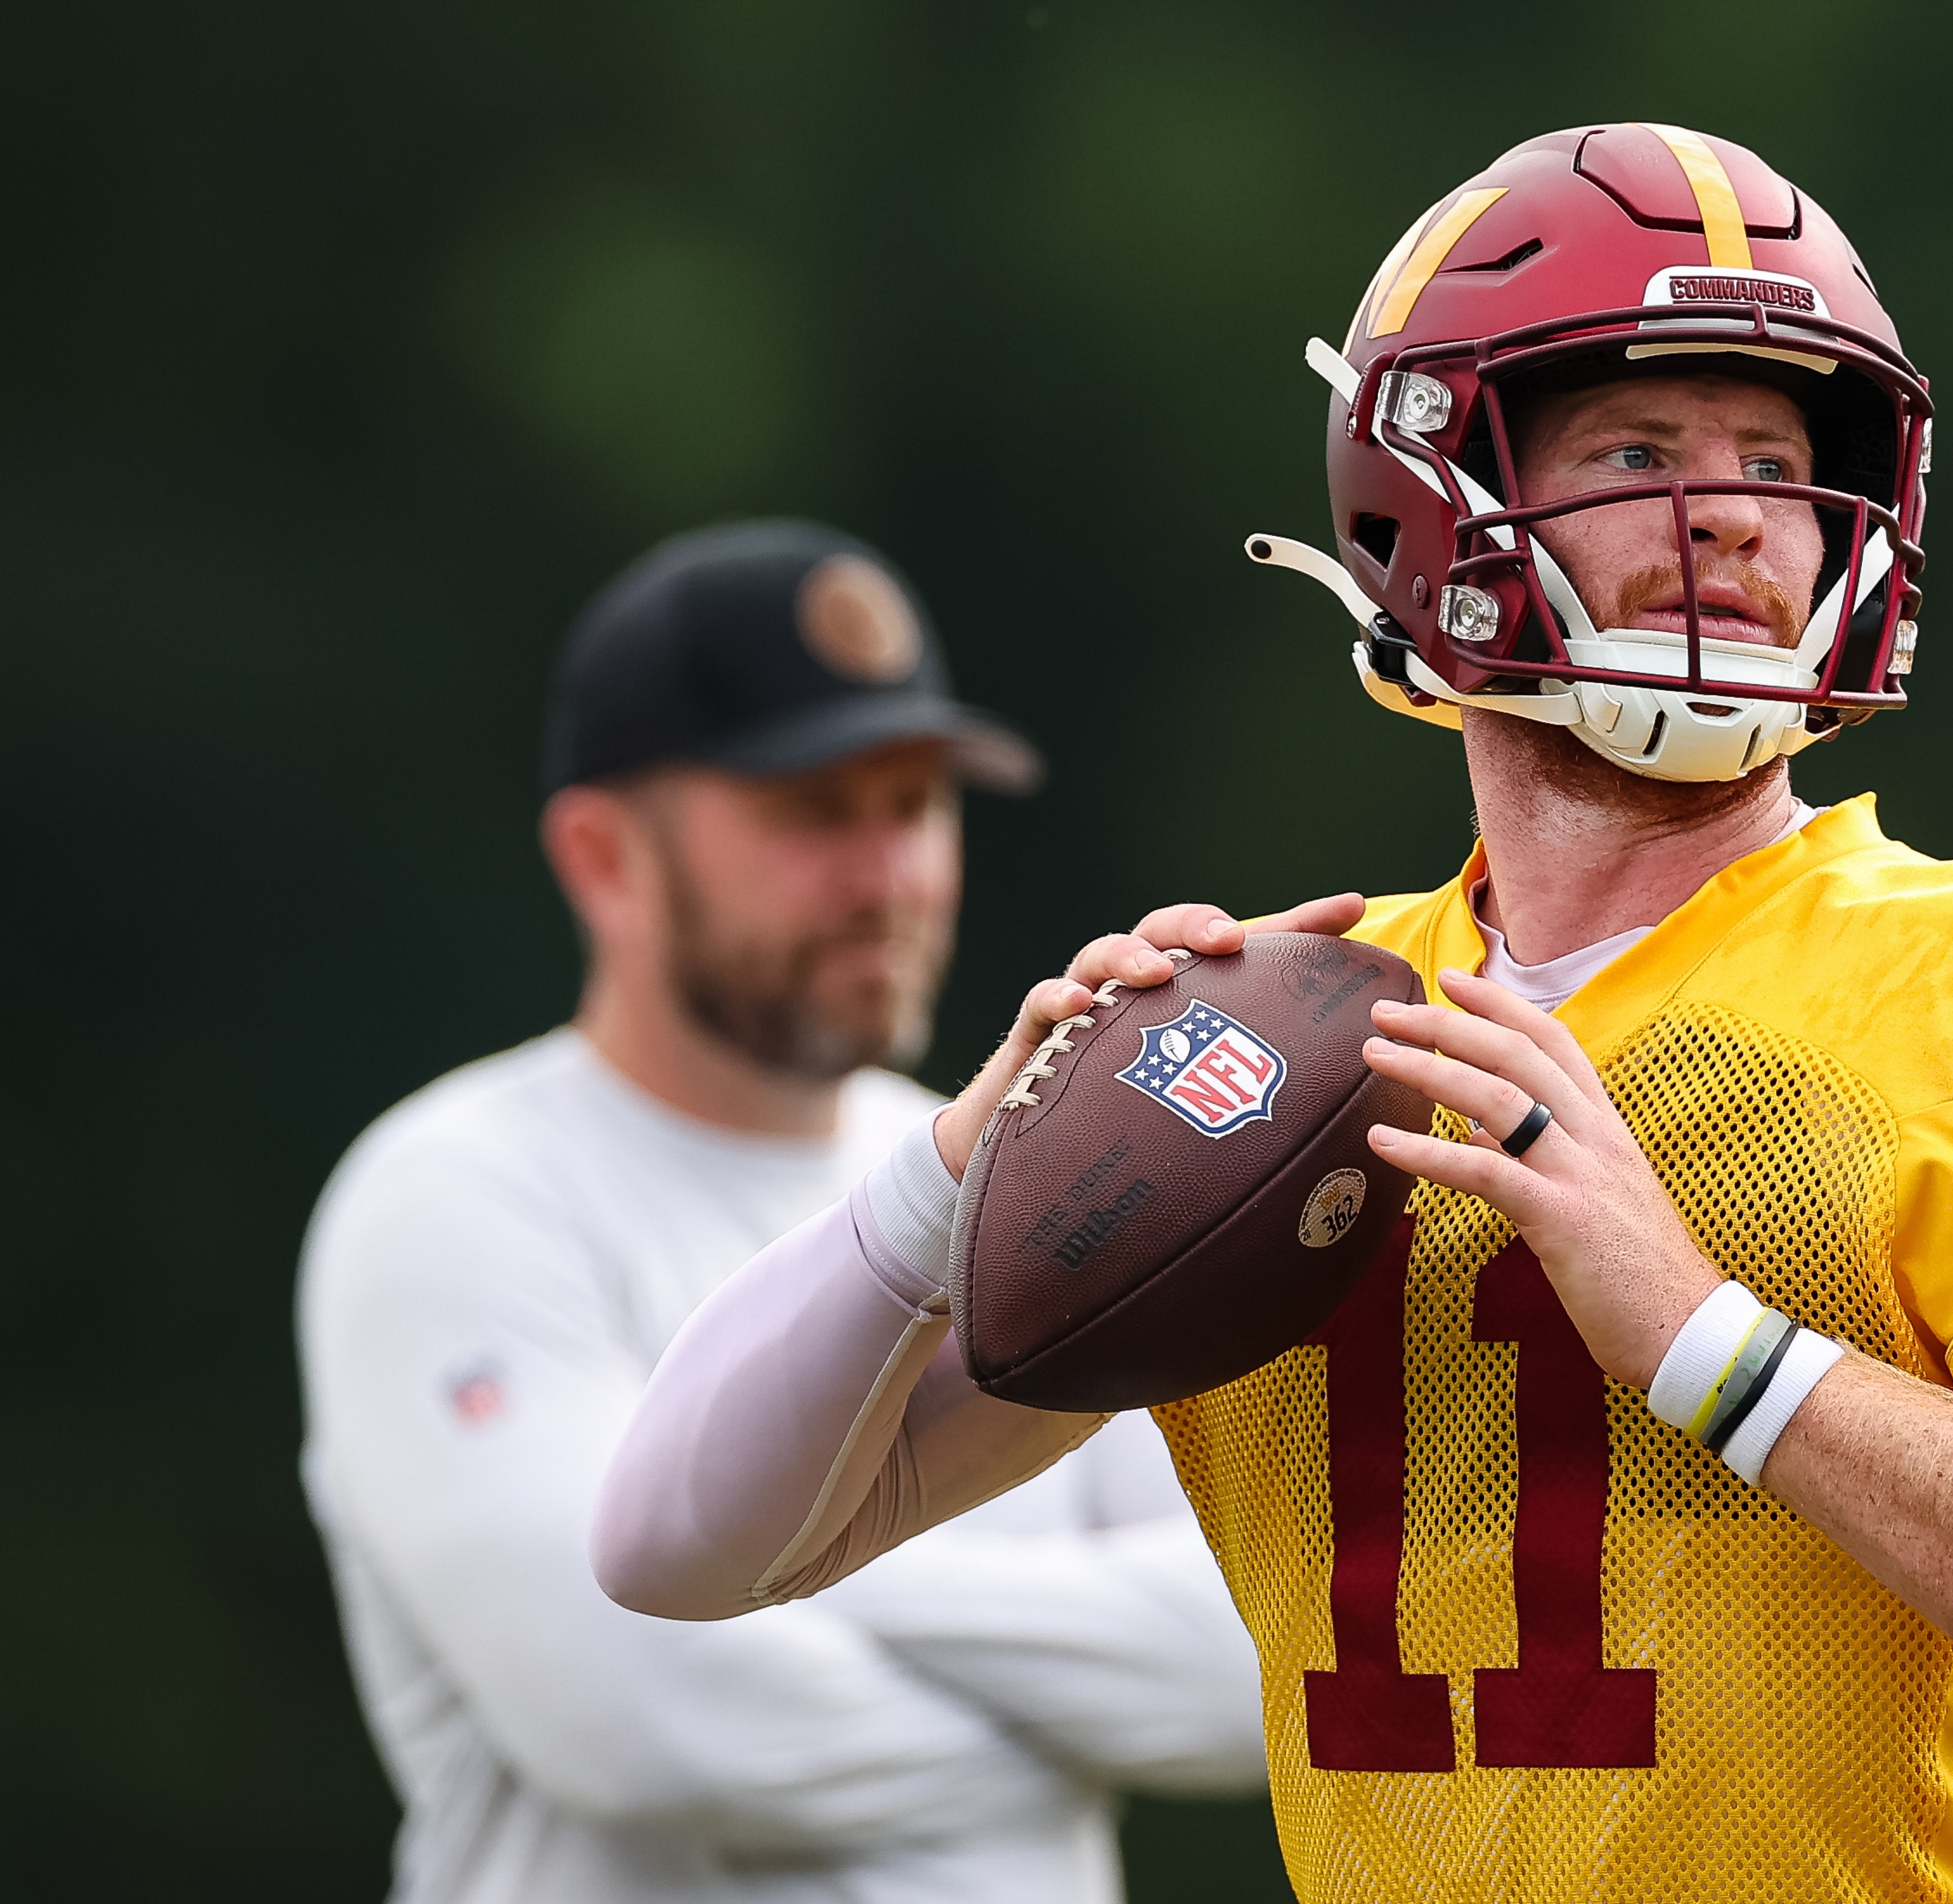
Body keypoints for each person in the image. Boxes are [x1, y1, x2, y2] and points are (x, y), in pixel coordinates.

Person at [597, 127, 1953, 1903]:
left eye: (1778, 462)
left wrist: (1710, 1342)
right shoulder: (1302, 1038)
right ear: (1432, 499)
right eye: (1642, 449)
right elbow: (677, 1544)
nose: (1733, 511)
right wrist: (959, 1165)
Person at [298, 520, 1267, 1904]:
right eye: (815, 812)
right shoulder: (454, 1190)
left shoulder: (1036, 1170)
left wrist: (757, 1557)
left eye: (917, 803)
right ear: (604, 859)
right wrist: (1078, 1725)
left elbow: (1254, 1659)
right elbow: (645, 1720)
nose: (891, 877)